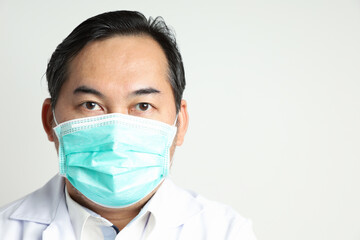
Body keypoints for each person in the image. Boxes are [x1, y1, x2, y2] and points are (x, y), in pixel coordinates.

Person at [0, 10, 257, 239]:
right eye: (91, 104)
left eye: (143, 106)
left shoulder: (226, 232)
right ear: (49, 121)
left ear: (180, 123)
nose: (116, 134)